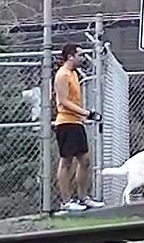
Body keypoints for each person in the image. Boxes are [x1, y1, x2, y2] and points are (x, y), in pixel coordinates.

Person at [53, 43, 104, 211]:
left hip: (76, 122)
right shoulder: (62, 75)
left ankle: (83, 198)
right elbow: (63, 101)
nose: (82, 58)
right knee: (66, 161)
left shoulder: (74, 74)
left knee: (85, 160)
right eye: (80, 55)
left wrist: (83, 115)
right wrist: (86, 113)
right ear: (70, 56)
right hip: (66, 122)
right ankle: (66, 201)